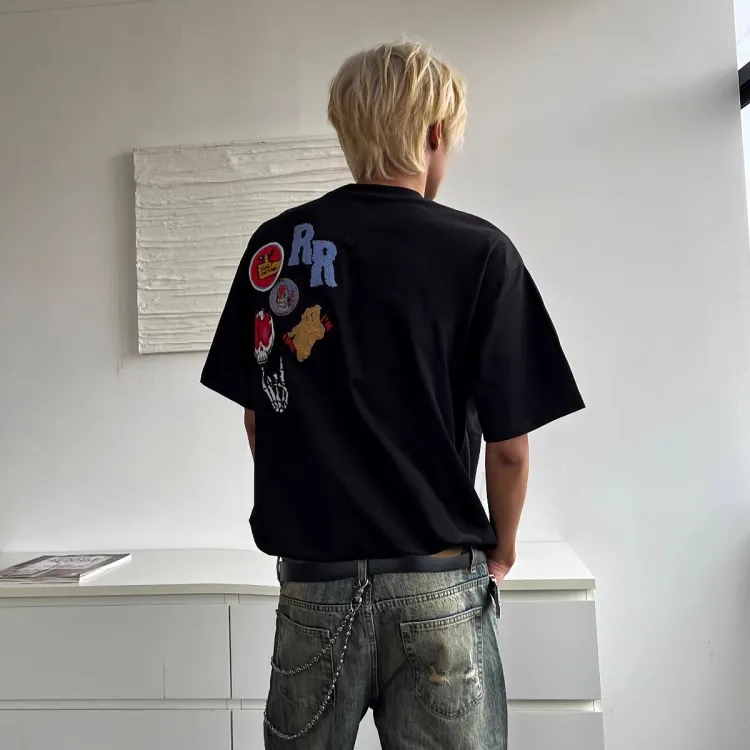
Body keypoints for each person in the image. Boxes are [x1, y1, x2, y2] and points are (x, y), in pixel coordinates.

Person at [201, 41, 584, 750]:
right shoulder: (481, 253)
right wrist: (502, 552)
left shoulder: (276, 248)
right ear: (435, 134)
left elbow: (260, 418)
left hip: (314, 585)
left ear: (348, 131)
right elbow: (508, 449)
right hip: (438, 583)